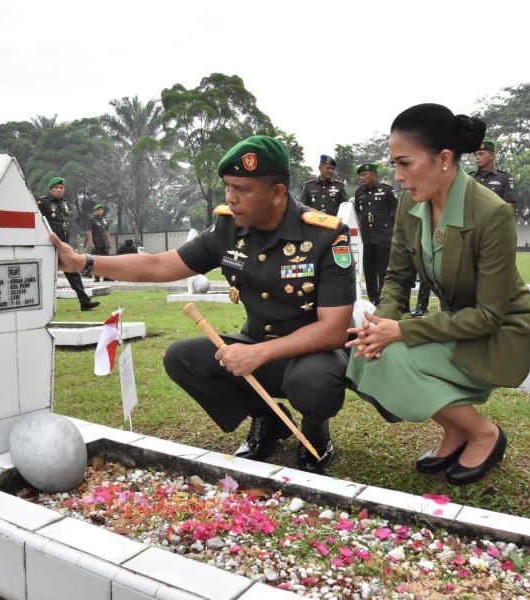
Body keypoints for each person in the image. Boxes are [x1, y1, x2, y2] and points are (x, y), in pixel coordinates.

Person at [50, 136, 356, 473]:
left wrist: (258, 353)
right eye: (228, 187)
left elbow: (333, 330)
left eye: (241, 189)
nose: (230, 198)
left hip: (312, 354)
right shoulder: (228, 228)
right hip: (254, 345)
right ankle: (268, 419)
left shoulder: (326, 235)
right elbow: (160, 265)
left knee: (315, 381)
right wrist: (84, 263)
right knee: (182, 359)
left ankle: (314, 430)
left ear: (277, 193)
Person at [345, 104, 530, 486]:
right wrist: (380, 323)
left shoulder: (490, 213)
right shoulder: (410, 203)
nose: (398, 177)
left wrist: (401, 331)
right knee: (368, 350)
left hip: (503, 330)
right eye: (394, 165)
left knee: (394, 354)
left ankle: (484, 434)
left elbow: (488, 315)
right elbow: (397, 277)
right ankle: (456, 430)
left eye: (405, 163)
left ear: (444, 159)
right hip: (459, 324)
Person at [37, 177, 100, 311]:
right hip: (48, 245)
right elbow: (36, 221)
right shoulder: (43, 202)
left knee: (73, 270)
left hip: (64, 243)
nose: (60, 190)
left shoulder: (64, 203)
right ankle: (42, 306)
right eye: (57, 188)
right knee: (45, 274)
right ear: (51, 189)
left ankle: (85, 302)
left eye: (62, 187)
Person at [353, 163, 398, 304]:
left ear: (374, 175)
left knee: (383, 270)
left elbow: (395, 211)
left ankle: (384, 298)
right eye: (360, 175)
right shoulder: (359, 193)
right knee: (369, 270)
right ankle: (373, 299)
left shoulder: (386, 190)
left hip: (383, 236)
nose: (361, 178)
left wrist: (392, 229)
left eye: (364, 175)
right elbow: (358, 213)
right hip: (366, 237)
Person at [468, 140, 516, 209]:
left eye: (481, 154)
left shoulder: (504, 178)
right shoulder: (468, 177)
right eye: (476, 155)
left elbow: (508, 206)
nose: (477, 157)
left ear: (492, 155)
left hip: (495, 215)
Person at [85, 203, 111, 282]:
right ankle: (97, 277)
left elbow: (107, 231)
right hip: (96, 244)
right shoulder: (92, 220)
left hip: (105, 243)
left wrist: (109, 241)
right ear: (95, 211)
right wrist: (91, 243)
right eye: (98, 210)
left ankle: (107, 276)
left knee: (106, 261)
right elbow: (89, 232)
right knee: (96, 261)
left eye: (101, 210)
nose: (100, 211)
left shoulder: (104, 220)